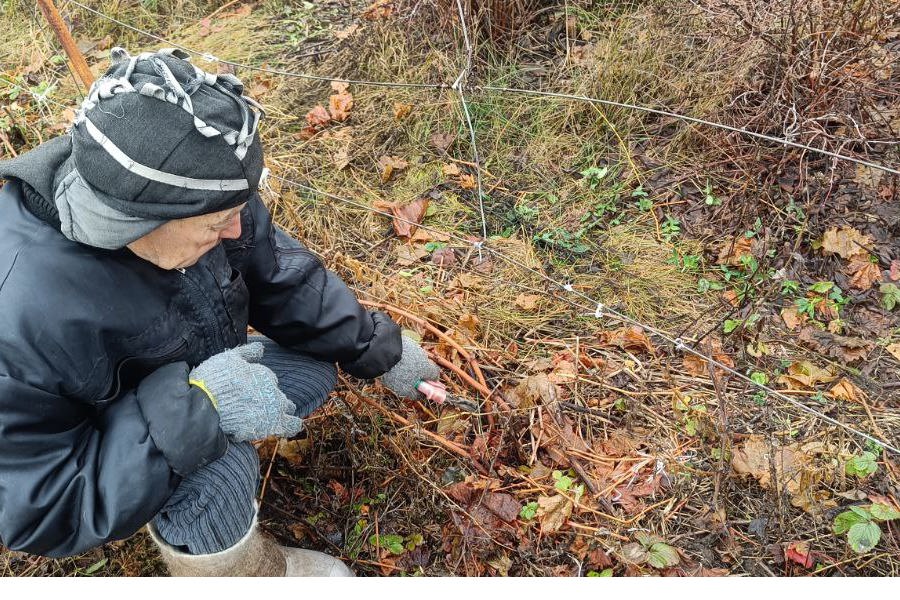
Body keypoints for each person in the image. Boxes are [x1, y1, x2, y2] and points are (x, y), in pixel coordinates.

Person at [0, 47, 440, 577]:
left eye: (239, 211)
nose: (235, 231)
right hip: (113, 448)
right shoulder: (21, 316)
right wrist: (201, 411)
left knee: (313, 367)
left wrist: (380, 349)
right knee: (222, 472)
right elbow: (40, 505)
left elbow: (282, 277)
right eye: (218, 224)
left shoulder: (201, 188)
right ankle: (250, 574)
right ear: (136, 220)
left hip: (189, 391)